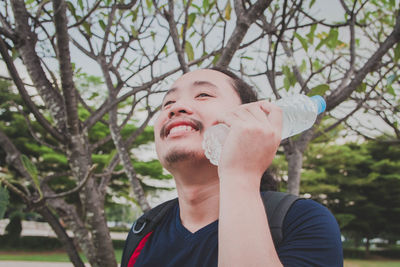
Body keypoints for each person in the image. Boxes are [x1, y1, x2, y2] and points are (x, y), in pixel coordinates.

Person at [126, 68, 343, 266]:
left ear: (252, 115)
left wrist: (241, 174)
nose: (175, 108)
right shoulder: (143, 231)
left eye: (203, 94)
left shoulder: (303, 221)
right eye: (167, 103)